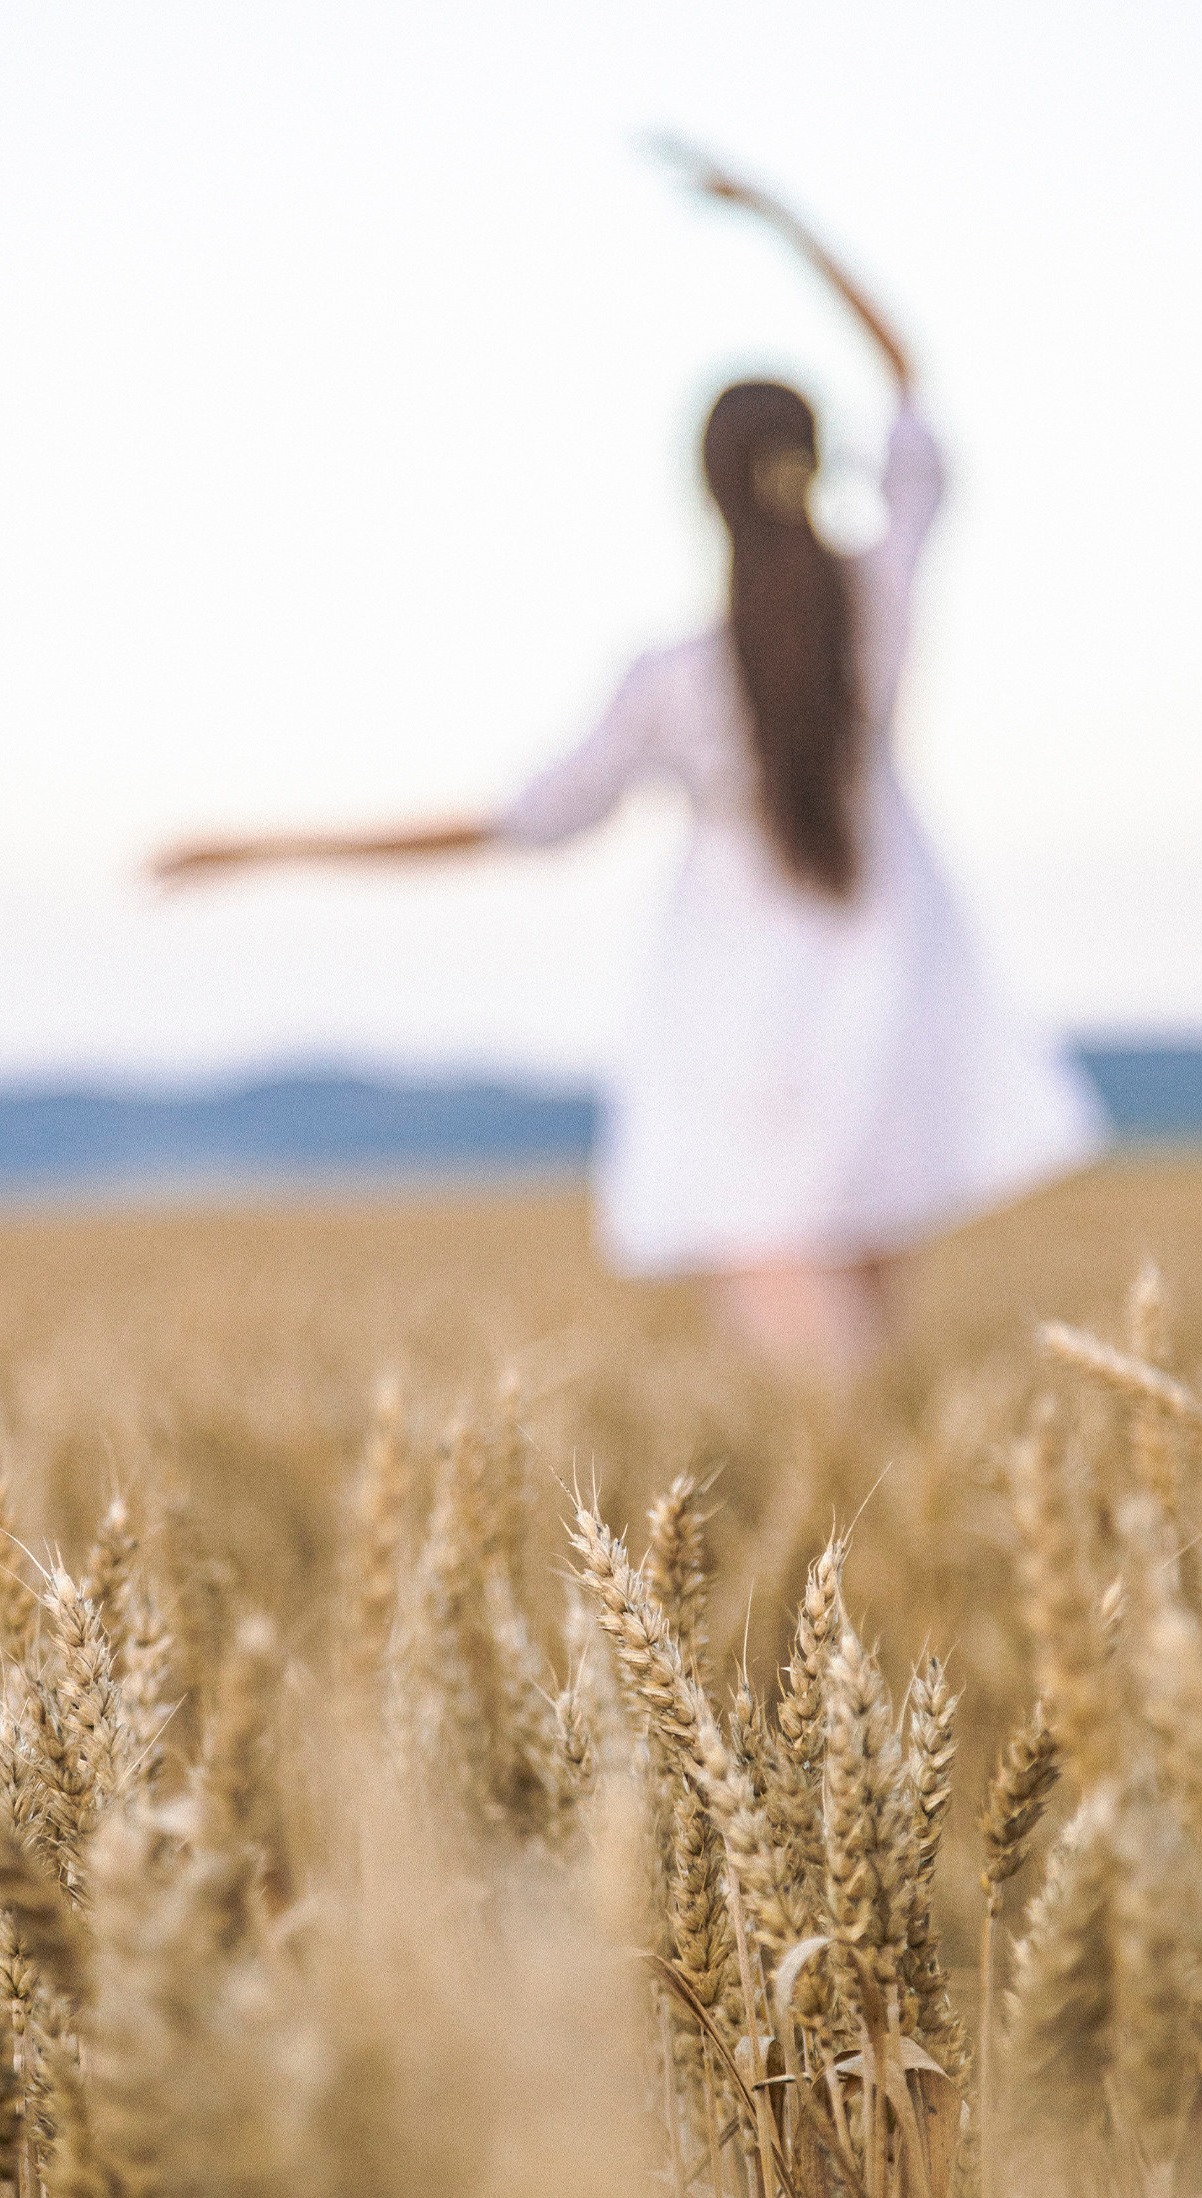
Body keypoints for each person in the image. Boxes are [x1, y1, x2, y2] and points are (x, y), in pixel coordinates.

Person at [152, 154, 1108, 1380]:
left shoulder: (671, 683)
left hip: (740, 1006)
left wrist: (263, 848)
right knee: (866, 1326)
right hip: (892, 961)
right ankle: (882, 1526)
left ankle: (856, 1528)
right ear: (817, 467)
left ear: (705, 495)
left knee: (802, 1341)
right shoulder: (879, 598)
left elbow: (509, 825)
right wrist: (778, 218)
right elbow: (909, 376)